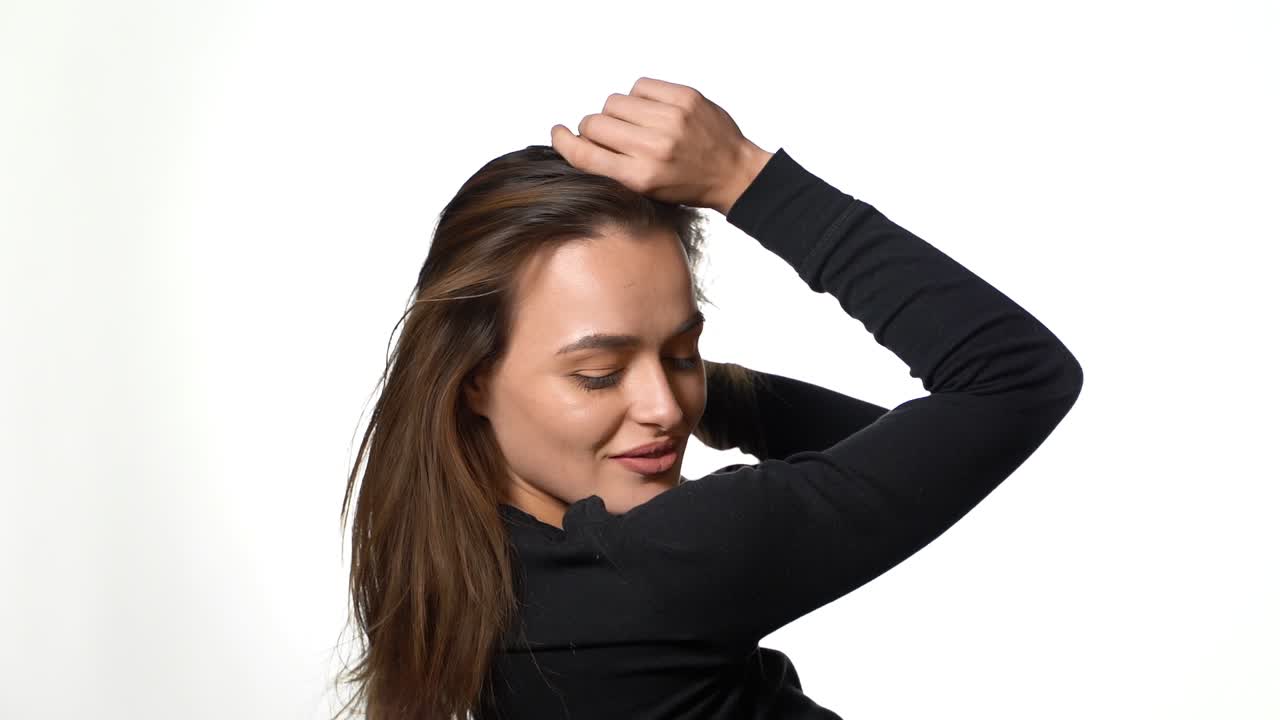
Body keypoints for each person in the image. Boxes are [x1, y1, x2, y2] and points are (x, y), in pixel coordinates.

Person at [332, 77, 1084, 720]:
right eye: (599, 372)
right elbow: (1012, 376)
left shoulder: (451, 566)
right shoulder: (670, 560)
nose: (665, 407)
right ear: (471, 379)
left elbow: (901, 454)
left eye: (683, 354)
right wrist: (745, 178)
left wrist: (687, 385)